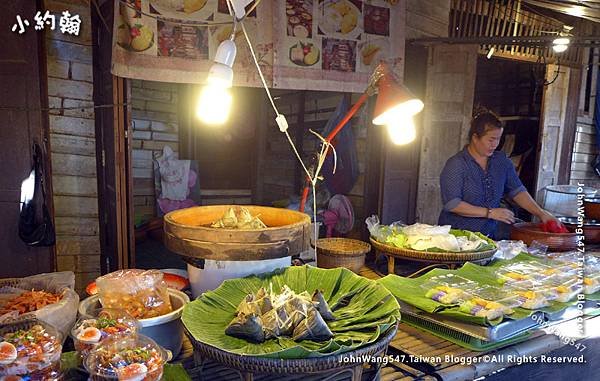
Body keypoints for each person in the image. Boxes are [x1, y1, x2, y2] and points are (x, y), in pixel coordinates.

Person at [438, 109, 556, 239]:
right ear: (475, 138)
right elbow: (452, 204)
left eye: (498, 139)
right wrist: (489, 213)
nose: (495, 145)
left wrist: (541, 213)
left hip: (488, 236)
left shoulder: (501, 161)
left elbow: (517, 190)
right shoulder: (457, 164)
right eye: (491, 140)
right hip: (456, 237)